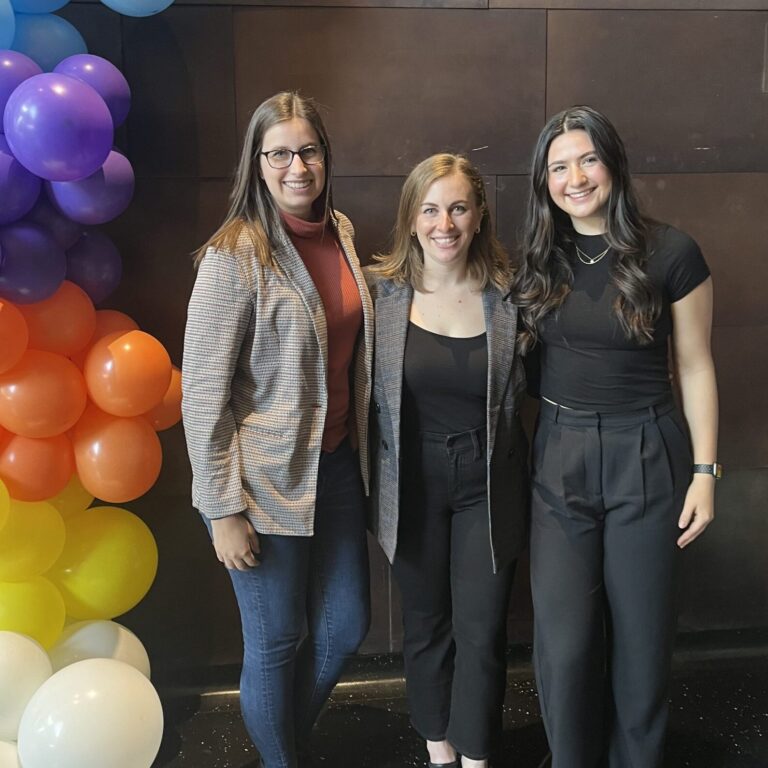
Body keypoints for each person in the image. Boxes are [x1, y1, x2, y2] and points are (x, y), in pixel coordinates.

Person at [511, 106, 719, 768]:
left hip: (647, 450)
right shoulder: (539, 260)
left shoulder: (673, 252)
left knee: (642, 639)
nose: (576, 177)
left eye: (588, 160)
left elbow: (695, 365)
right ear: (544, 181)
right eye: (559, 166)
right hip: (559, 453)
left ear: (613, 164)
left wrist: (706, 474)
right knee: (564, 643)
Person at [181, 91, 374, 768]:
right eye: (280, 153)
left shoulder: (341, 233)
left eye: (309, 150)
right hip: (258, 482)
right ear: (257, 164)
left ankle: (279, 746)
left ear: (326, 155)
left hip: (339, 467)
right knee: (276, 640)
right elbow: (201, 395)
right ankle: (284, 758)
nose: (298, 166)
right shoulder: (234, 255)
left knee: (346, 626)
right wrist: (222, 507)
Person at [366, 153, 529, 768]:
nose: (445, 223)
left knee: (482, 632)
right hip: (410, 483)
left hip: (488, 480)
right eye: (430, 209)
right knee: (427, 625)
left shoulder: (511, 295)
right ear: (411, 219)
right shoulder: (380, 294)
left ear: (480, 215)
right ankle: (439, 750)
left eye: (458, 207)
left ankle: (478, 754)